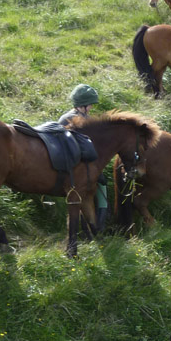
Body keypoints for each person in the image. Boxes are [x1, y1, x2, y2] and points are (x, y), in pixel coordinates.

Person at [59, 83, 109, 233]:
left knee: (102, 183)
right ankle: (97, 224)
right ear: (83, 105)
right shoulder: (69, 119)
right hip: (75, 164)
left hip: (87, 163)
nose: (92, 107)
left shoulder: (86, 117)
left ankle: (101, 220)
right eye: (90, 105)